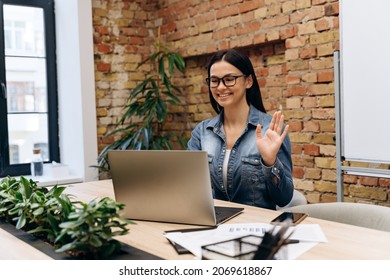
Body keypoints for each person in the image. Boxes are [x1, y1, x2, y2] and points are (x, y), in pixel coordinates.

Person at [187, 48, 294, 210]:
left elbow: (284, 198)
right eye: (214, 80)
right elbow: (190, 188)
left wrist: (270, 162)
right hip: (214, 227)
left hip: (256, 228)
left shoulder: (271, 130)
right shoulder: (202, 132)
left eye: (229, 79)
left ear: (248, 81)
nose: (220, 87)